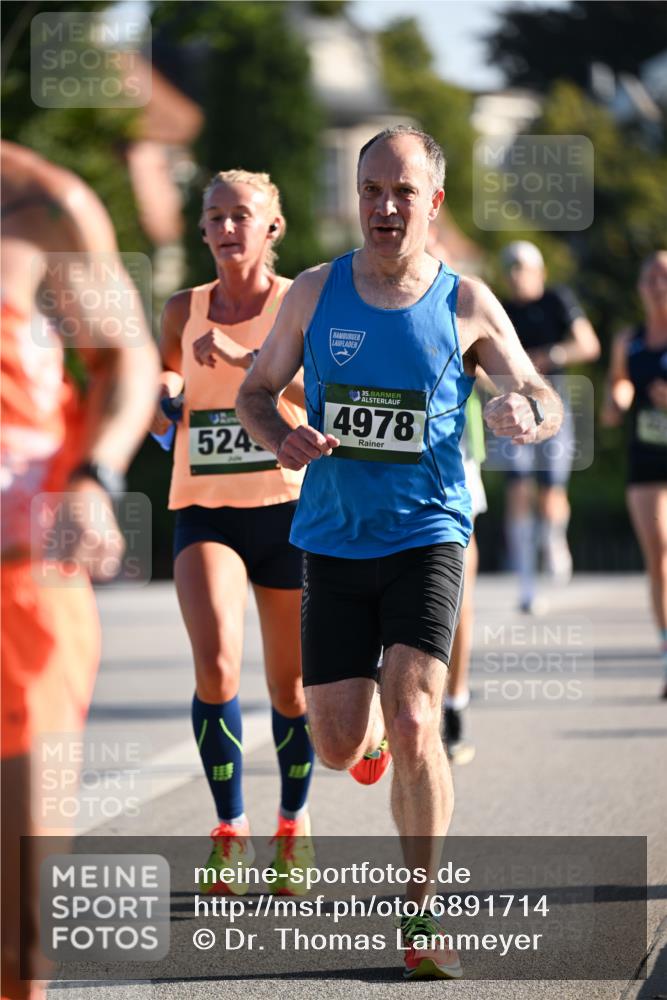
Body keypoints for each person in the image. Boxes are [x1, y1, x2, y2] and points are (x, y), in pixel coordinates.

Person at [237, 125, 563, 979]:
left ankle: (422, 915)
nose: (385, 207)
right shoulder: (313, 292)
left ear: (433, 201)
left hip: (427, 533)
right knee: (338, 745)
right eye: (371, 190)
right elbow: (255, 391)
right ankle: (367, 733)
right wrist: (280, 438)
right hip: (332, 539)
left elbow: (533, 388)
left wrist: (525, 411)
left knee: (418, 713)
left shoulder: (464, 303)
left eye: (403, 192)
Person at [1, 140, 158, 1000]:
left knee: (17, 925)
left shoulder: (45, 205)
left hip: (21, 585)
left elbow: (125, 357)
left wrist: (95, 476)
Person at [150, 169, 314, 896]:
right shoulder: (180, 308)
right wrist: (162, 399)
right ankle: (230, 832)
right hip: (205, 509)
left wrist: (252, 364)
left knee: (290, 688)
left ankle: (292, 825)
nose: (224, 229)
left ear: (270, 227)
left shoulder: (298, 304)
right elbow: (162, 389)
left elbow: (326, 397)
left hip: (286, 508)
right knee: (215, 665)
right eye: (213, 216)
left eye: (240, 216)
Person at [499, 241, 600, 613]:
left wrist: (552, 355)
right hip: (517, 411)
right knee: (517, 489)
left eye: (522, 267)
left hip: (555, 411)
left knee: (552, 492)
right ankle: (526, 583)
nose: (515, 275)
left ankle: (554, 537)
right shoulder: (504, 310)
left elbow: (589, 344)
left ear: (538, 271)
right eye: (510, 267)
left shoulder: (558, 299)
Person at [601, 251, 667, 699]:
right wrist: (618, 397)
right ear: (641, 288)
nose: (658, 284)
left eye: (665, 276)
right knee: (659, 554)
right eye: (650, 277)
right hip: (645, 460)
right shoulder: (630, 339)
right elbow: (617, 386)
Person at [443, 391, 487, 765]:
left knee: (456, 593)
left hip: (450, 445)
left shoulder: (467, 326)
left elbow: (498, 369)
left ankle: (454, 704)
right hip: (379, 448)